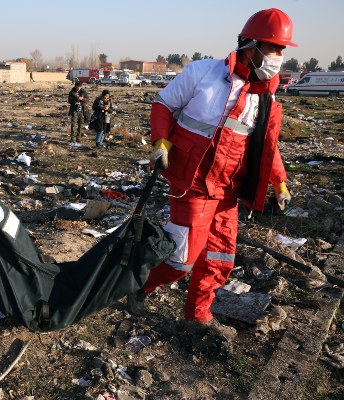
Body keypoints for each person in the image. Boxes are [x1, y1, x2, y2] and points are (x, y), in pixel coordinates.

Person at [127, 8, 296, 338]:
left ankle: (197, 315)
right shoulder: (203, 74)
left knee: (219, 259)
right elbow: (163, 104)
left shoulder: (267, 96)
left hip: (228, 192)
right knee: (181, 259)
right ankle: (140, 285)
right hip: (192, 184)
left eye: (282, 50)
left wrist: (280, 181)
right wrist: (161, 143)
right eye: (275, 48)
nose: (279, 57)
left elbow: (266, 145)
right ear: (251, 45)